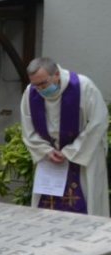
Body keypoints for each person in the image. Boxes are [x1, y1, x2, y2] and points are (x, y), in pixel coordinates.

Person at [19, 57, 109, 217]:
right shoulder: (30, 93)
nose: (39, 90)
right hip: (50, 160)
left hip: (82, 158)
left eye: (43, 84)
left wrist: (70, 151)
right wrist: (46, 151)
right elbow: (28, 130)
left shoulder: (83, 87)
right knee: (46, 213)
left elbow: (98, 122)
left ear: (56, 75)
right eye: (35, 85)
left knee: (87, 207)